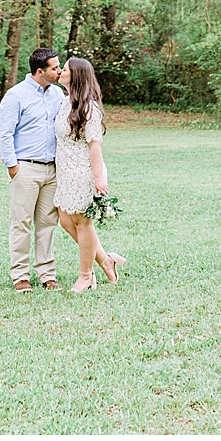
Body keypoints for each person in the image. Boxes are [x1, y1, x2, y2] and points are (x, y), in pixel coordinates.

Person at [54, 57, 126, 293]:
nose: (60, 71)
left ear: (75, 76)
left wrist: (98, 179)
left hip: (83, 172)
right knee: (66, 220)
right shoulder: (65, 102)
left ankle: (86, 276)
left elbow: (95, 146)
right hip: (65, 172)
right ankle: (106, 260)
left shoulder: (89, 108)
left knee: (83, 224)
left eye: (65, 69)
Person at [0, 47, 65, 293]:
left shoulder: (58, 95)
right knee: (21, 223)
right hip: (25, 167)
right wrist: (13, 166)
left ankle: (47, 274)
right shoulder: (16, 95)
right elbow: (5, 133)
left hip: (52, 169)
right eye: (55, 68)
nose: (60, 71)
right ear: (40, 71)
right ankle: (20, 276)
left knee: (47, 224)